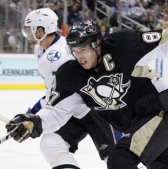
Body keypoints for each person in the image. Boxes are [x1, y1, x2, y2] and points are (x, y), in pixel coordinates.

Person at [6, 20, 168, 169]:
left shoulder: (123, 46)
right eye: (74, 50)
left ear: (97, 44)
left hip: (160, 113)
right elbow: (57, 111)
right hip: (134, 124)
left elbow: (164, 41)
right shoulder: (70, 74)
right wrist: (35, 122)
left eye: (84, 49)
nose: (79, 56)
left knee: (120, 160)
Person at [9, 9, 116, 169]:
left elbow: (60, 96)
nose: (27, 34)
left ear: (40, 30)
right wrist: (32, 114)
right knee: (51, 142)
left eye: (28, 29)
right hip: (72, 111)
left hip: (95, 108)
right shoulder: (40, 50)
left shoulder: (58, 56)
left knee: (116, 158)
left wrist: (32, 115)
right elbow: (55, 94)